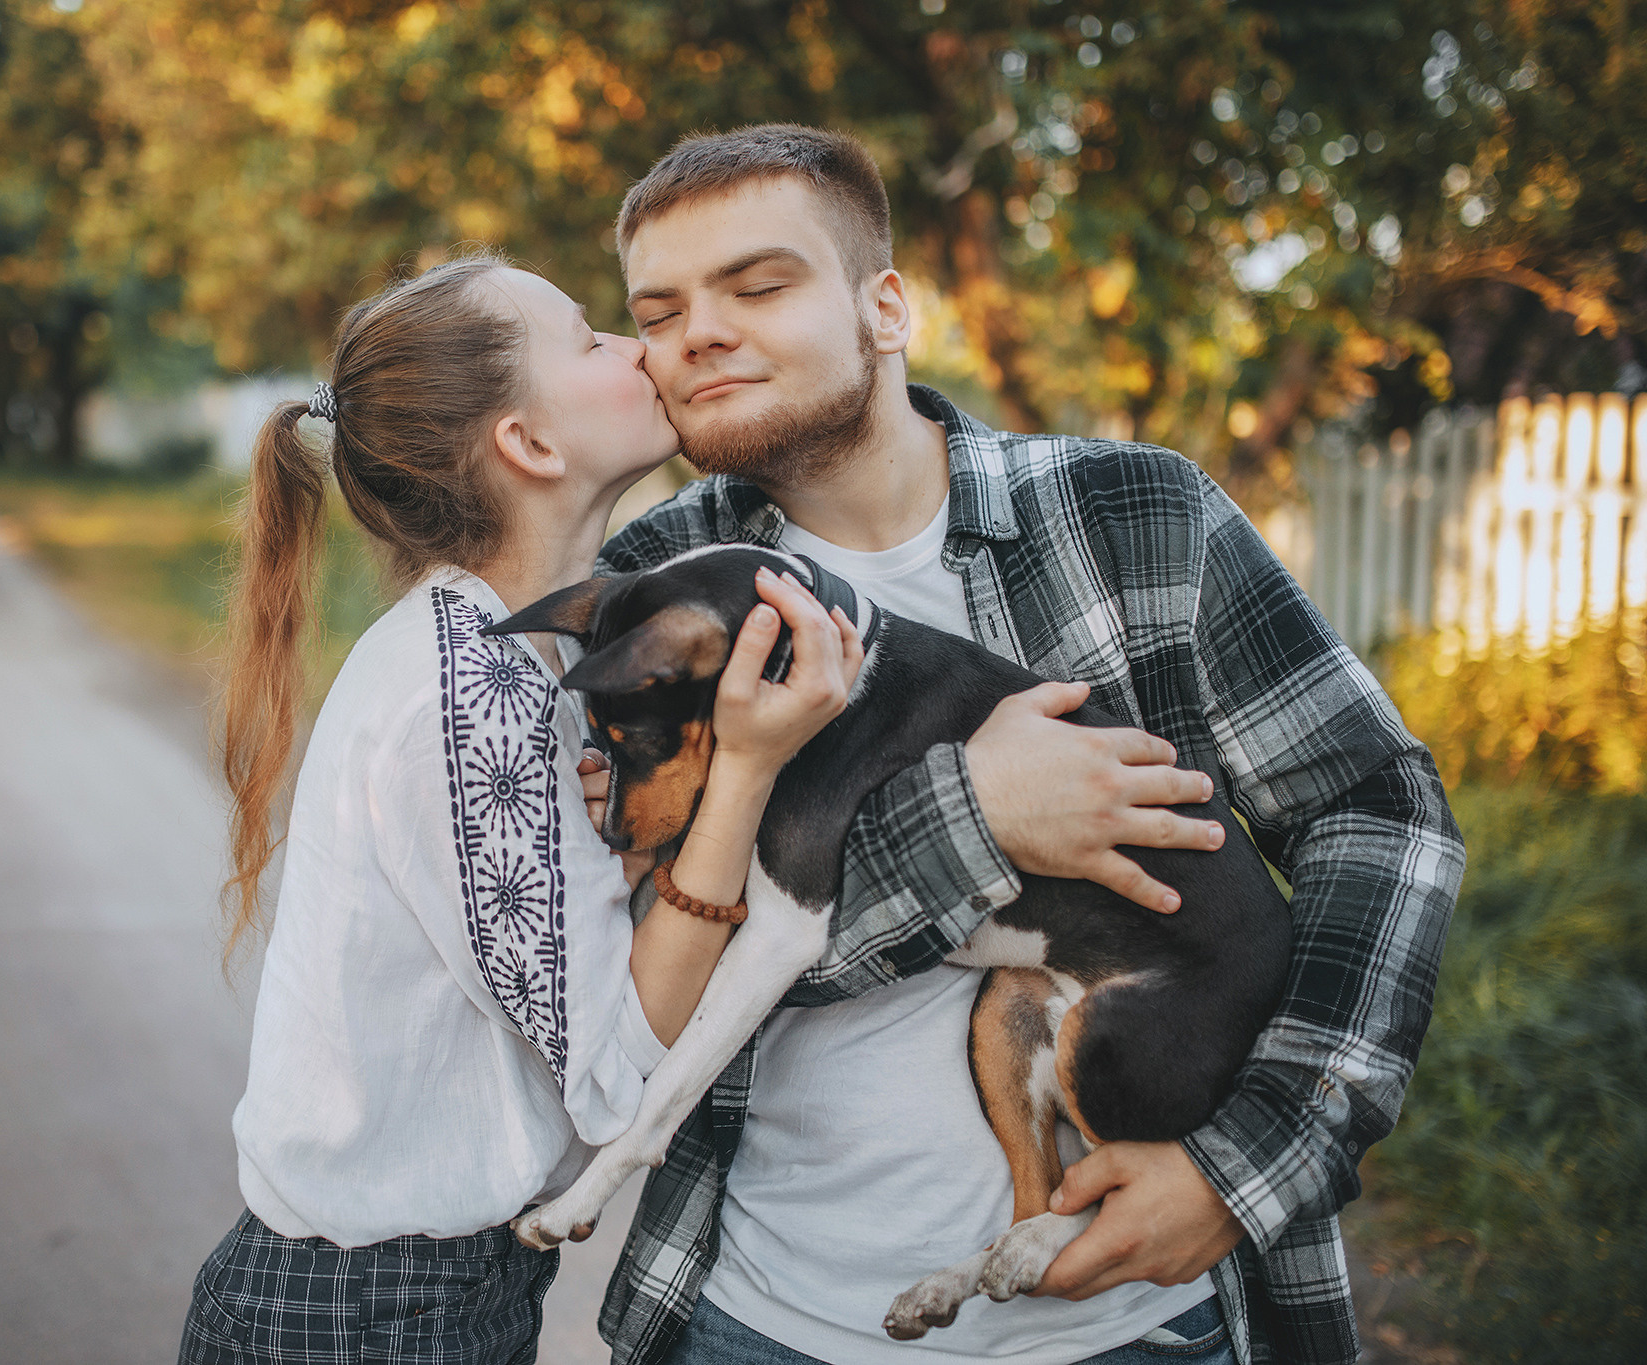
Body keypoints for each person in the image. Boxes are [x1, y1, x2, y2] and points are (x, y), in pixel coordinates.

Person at [593, 126, 1465, 1365]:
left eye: (759, 285)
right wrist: (976, 818)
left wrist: (1249, 1164)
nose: (699, 334)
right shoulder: (644, 602)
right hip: (756, 1316)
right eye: (659, 310)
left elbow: (1380, 813)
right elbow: (638, 971)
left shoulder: (1130, 518)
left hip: (1134, 1327)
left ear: (882, 306)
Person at [176, 252, 866, 1365]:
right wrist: (743, 773)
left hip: (410, 1297)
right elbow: (609, 1074)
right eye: (592, 340)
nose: (643, 348)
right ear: (530, 445)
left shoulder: (504, 651)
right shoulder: (474, 689)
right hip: (373, 1320)